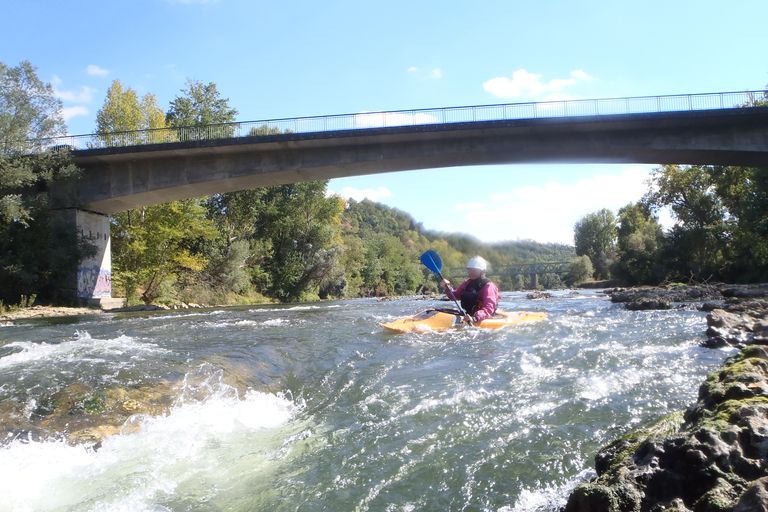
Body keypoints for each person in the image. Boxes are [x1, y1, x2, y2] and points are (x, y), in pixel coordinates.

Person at [442, 256, 500, 324]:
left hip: (481, 317)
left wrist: (475, 318)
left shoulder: (488, 286)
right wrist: (447, 287)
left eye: (474, 270)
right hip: (468, 316)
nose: (471, 272)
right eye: (470, 270)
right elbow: (454, 296)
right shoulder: (467, 283)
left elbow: (489, 308)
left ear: (482, 271)